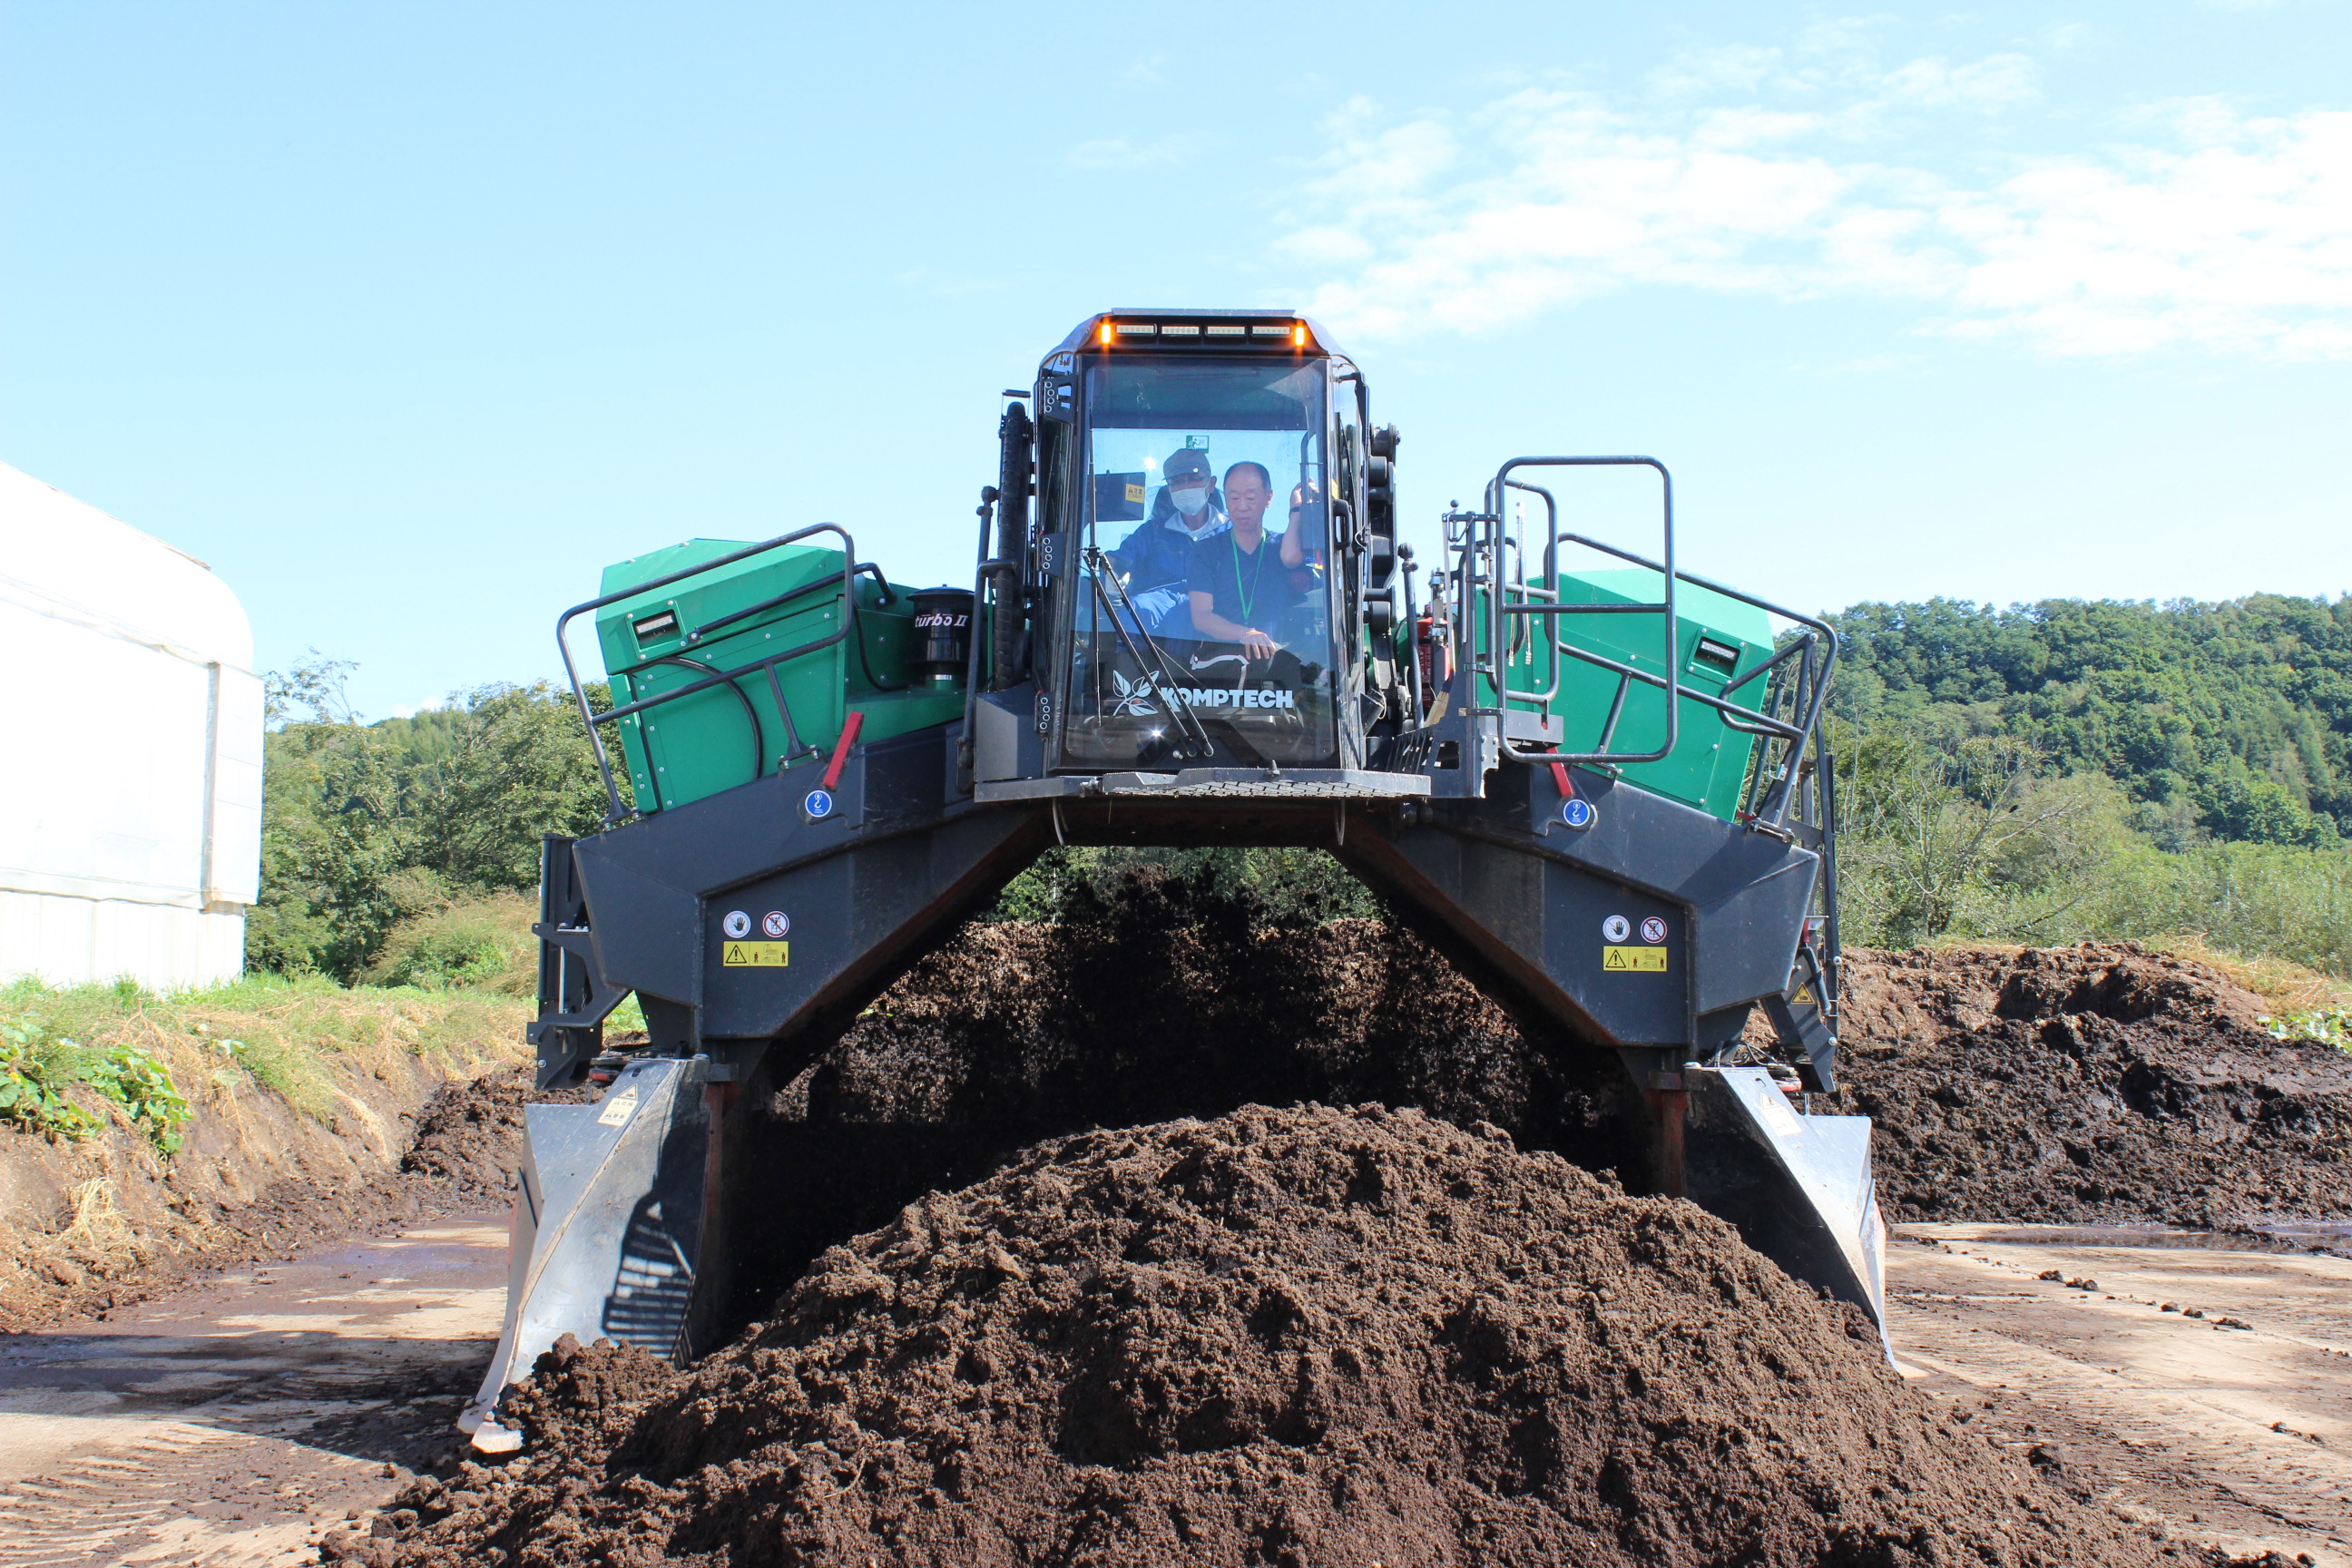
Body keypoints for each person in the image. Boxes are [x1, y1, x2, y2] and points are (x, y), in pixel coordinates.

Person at [1186, 461, 1298, 662]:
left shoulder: (1281, 546)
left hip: (1274, 668)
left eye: (1251, 497)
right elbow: (1201, 617)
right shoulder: (1206, 550)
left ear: (1268, 498)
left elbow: (1291, 558)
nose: (1242, 507)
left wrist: (1296, 512)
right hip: (1216, 666)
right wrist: (1245, 634)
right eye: (1234, 497)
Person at [1108, 447, 1226, 635]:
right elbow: (1114, 562)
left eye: (1194, 478)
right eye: (1177, 482)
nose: (1186, 487)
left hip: (1215, 604)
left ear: (1211, 484)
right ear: (1169, 489)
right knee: (1137, 609)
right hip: (1159, 606)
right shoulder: (1152, 532)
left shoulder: (1232, 531)